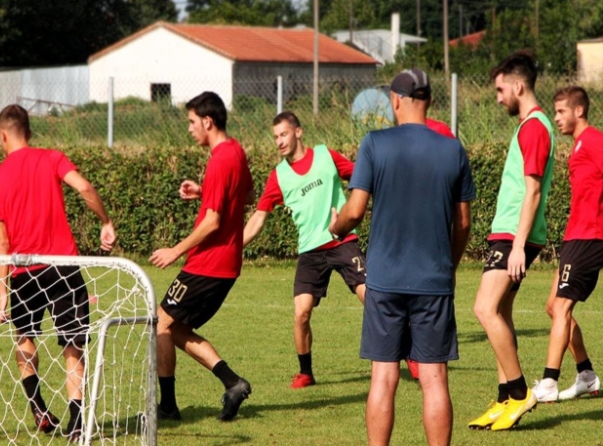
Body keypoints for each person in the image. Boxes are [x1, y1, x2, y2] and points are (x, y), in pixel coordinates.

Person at [330, 68, 474, 446]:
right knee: (434, 378)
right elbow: (462, 223)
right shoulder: (452, 148)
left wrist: (337, 227)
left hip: (384, 279)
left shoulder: (375, 144)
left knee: (384, 376)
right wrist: (451, 266)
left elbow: (355, 211)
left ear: (394, 100)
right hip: (434, 280)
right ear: (428, 101)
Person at [0, 104, 116, 442]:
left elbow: (1, 241)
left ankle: (38, 408)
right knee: (72, 345)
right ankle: (76, 422)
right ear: (29, 131)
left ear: (2, 135)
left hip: (23, 273)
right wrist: (106, 222)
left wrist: (2, 292)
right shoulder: (51, 158)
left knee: (25, 339)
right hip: (63, 268)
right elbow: (84, 188)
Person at [150, 91, 254, 421]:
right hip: (225, 266)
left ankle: (167, 405)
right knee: (175, 327)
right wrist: (204, 191)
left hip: (208, 263)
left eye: (192, 122)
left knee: (160, 322)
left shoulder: (221, 158)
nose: (190, 128)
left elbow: (213, 221)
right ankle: (232, 382)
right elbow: (246, 193)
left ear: (208, 121)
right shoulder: (235, 151)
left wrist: (174, 250)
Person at [243, 111, 366, 389]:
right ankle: (306, 373)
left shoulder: (326, 156)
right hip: (311, 251)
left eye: (283, 134)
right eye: (275, 137)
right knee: (301, 313)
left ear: (298, 132)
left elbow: (362, 178)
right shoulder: (279, 177)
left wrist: (350, 214)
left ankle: (409, 356)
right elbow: (259, 217)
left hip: (342, 241)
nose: (279, 141)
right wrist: (235, 245)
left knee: (373, 300)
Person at [468, 51, 555, 431]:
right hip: (510, 235)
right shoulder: (529, 126)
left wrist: (518, 244)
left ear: (519, 86)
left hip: (514, 237)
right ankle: (505, 399)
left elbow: (533, 192)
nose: (498, 96)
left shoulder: (535, 127)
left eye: (501, 89)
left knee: (484, 310)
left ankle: (520, 392)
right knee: (499, 313)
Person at [532, 86, 601, 402]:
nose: (556, 117)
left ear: (578, 111)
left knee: (561, 307)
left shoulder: (593, 140)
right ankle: (586, 375)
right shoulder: (577, 146)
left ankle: (548, 382)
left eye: (561, 111)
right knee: (553, 306)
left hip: (589, 236)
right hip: (576, 236)